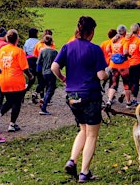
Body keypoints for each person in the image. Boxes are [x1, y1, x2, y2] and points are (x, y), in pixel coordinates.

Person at [51, 16, 108, 183]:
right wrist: (108, 72)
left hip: (72, 95)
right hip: (90, 95)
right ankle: (84, 172)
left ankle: (72, 160)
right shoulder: (94, 49)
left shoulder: (67, 46)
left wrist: (63, 78)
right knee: (91, 135)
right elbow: (101, 75)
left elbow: (54, 66)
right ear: (91, 32)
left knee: (83, 129)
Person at [0, 29, 34, 132]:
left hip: (3, 80)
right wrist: (30, 76)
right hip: (16, 80)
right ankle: (12, 124)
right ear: (17, 39)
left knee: (9, 101)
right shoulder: (19, 51)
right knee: (16, 102)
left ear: (7, 38)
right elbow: (24, 68)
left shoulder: (2, 51)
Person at [105, 25, 130, 107]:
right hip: (123, 65)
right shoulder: (124, 40)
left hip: (113, 65)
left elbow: (107, 50)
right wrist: (128, 55)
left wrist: (113, 55)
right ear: (125, 32)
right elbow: (125, 52)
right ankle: (128, 102)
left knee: (113, 83)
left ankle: (109, 100)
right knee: (126, 84)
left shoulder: (113, 40)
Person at [32, 29, 56, 104]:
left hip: (39, 66)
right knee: (48, 83)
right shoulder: (52, 45)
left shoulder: (38, 44)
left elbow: (35, 55)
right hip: (48, 66)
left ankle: (39, 94)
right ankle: (45, 99)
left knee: (41, 82)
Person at [36, 35, 58, 115]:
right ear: (51, 42)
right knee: (51, 88)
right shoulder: (54, 52)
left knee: (47, 87)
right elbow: (57, 63)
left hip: (43, 72)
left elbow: (38, 62)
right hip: (51, 72)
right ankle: (44, 106)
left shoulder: (42, 51)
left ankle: (44, 99)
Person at [125, 23, 140, 107]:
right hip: (137, 63)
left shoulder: (127, 39)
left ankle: (128, 102)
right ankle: (135, 99)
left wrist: (129, 56)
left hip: (128, 63)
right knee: (136, 81)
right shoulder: (139, 40)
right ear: (138, 30)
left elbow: (125, 52)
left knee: (129, 82)